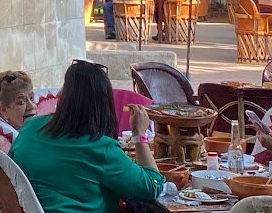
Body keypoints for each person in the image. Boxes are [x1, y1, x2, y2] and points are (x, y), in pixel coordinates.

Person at [10, 60, 164, 213]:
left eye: (64, 87)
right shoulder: (101, 148)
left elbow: (7, 170)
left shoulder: (29, 128)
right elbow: (152, 187)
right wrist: (139, 135)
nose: (58, 93)